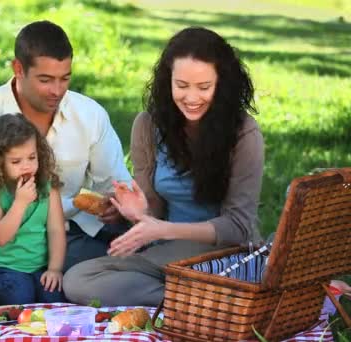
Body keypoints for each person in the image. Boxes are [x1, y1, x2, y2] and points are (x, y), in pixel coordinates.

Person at [63, 27, 264, 306]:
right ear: (167, 81)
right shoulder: (148, 126)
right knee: (77, 280)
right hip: (167, 252)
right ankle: (205, 301)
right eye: (181, 85)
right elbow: (152, 212)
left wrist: (162, 229)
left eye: (204, 87)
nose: (191, 98)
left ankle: (206, 295)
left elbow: (238, 226)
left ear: (222, 84)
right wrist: (134, 211)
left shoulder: (243, 133)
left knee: (85, 277)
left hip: (224, 257)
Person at [0, 20, 132, 276]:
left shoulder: (89, 115)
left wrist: (117, 207)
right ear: (18, 69)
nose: (57, 91)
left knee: (115, 265)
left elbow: (117, 183)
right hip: (15, 238)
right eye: (45, 80)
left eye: (64, 78)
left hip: (73, 232)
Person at [0, 114, 66, 304]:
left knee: (54, 299)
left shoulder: (47, 187)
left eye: (32, 157)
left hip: (41, 266)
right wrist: (20, 203)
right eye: (16, 161)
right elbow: (0, 238)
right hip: (6, 267)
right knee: (20, 296)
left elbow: (56, 230)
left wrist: (54, 268)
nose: (26, 166)